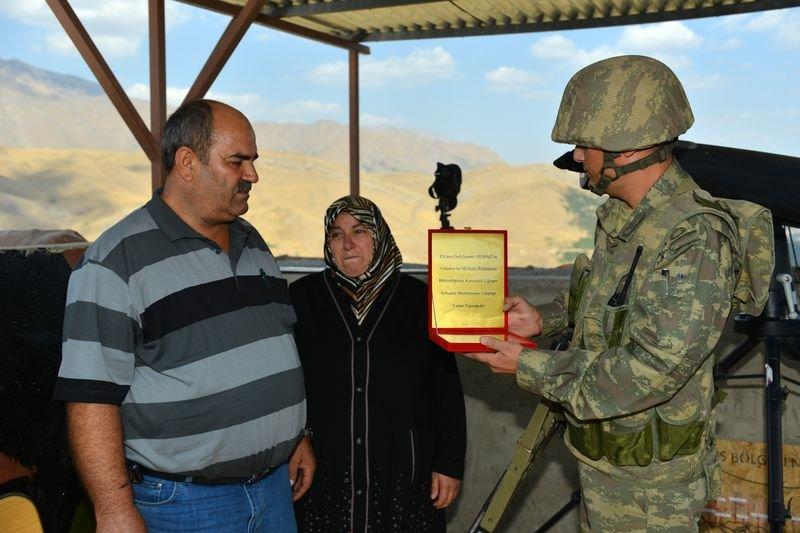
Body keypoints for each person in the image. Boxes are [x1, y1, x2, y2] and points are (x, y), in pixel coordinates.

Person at [462, 55, 772, 531]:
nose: (578, 158)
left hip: (652, 495)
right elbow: (607, 306)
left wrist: (529, 365)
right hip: (607, 466)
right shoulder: (625, 216)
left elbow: (649, 370)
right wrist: (545, 321)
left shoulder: (694, 238)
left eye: (586, 145)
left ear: (625, 151)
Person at [53, 99, 314, 532]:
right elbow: (89, 399)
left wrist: (296, 435)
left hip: (274, 490)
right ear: (188, 163)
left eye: (252, 161)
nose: (252, 175)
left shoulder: (252, 242)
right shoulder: (115, 262)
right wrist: (114, 510)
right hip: (184, 505)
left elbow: (273, 349)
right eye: (238, 161)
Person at [290, 196, 466, 532]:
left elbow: (447, 390)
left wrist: (449, 463)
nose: (348, 243)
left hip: (404, 473)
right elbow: (287, 385)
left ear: (380, 235)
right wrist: (298, 437)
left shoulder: (420, 301)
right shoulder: (303, 300)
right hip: (326, 472)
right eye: (337, 234)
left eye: (359, 231)